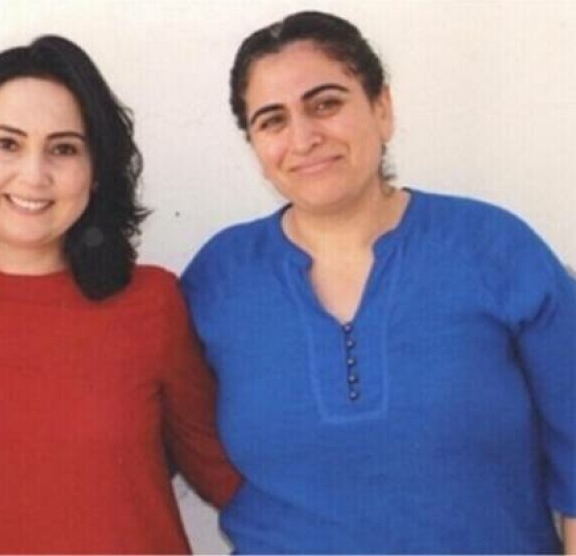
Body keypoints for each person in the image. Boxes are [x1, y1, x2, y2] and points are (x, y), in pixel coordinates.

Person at [181, 10, 576, 554]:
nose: (304, 137)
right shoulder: (219, 280)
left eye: (326, 104)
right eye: (272, 120)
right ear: (254, 146)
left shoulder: (493, 249)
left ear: (382, 109)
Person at [0, 35, 241, 553]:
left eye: (64, 148)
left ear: (96, 172)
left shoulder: (152, 302)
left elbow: (222, 471)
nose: (34, 175)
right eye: (7, 144)